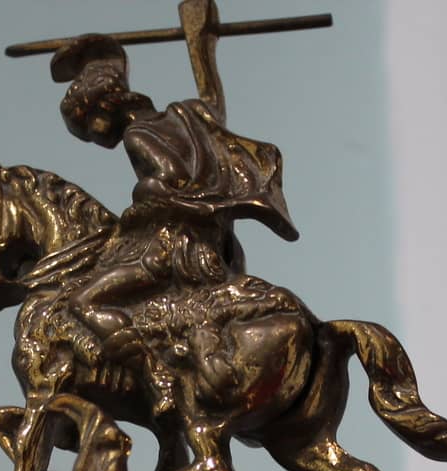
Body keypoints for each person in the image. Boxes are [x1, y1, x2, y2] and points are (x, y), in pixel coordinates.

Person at [46, 35, 302, 407]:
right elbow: (214, 101)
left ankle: (155, 375)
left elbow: (168, 178)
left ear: (103, 107)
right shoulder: (187, 113)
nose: (94, 136)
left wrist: (145, 195)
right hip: (219, 244)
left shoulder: (136, 135)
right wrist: (201, 43)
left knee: (83, 301)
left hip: (170, 249)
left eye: (88, 124)